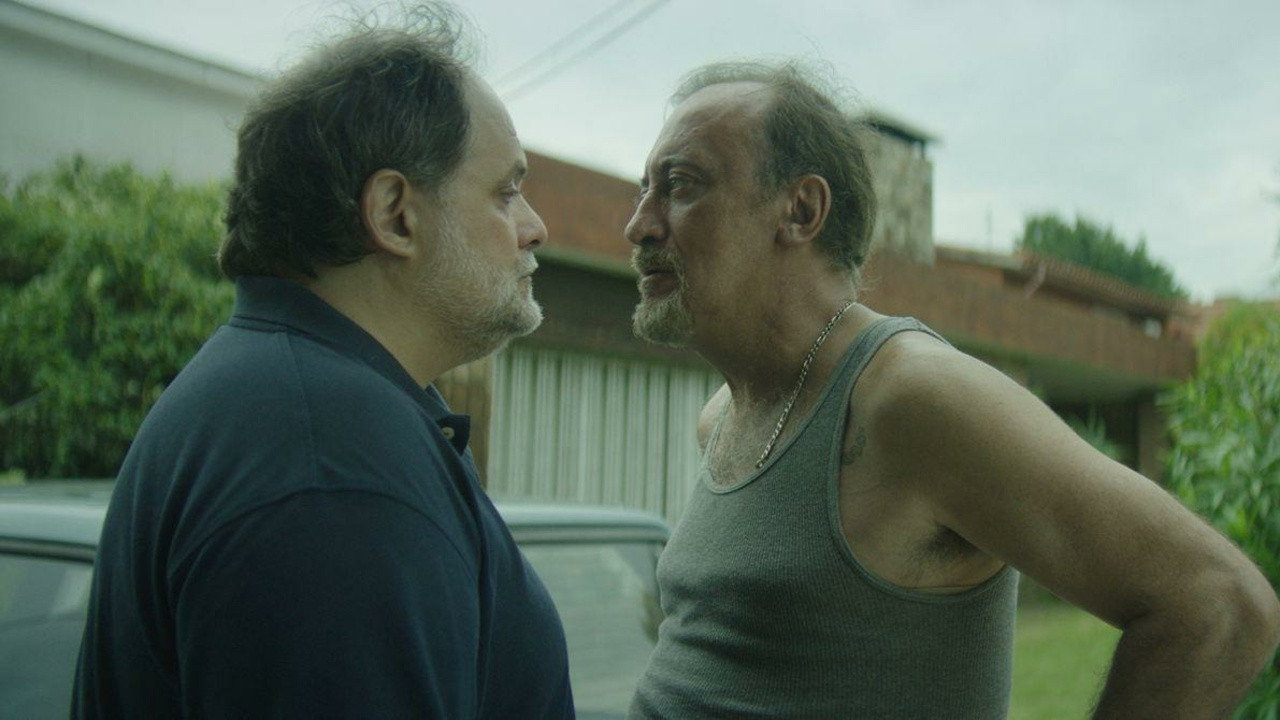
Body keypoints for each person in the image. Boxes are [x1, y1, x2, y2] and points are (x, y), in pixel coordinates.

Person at [624, 60, 1280, 719]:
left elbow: (1219, 605)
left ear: (801, 210)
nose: (640, 224)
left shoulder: (908, 398)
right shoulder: (722, 417)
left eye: (680, 186)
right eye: (643, 191)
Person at [72, 6, 573, 718]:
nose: (535, 227)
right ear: (395, 213)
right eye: (506, 192)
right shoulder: (333, 470)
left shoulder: (283, 403)